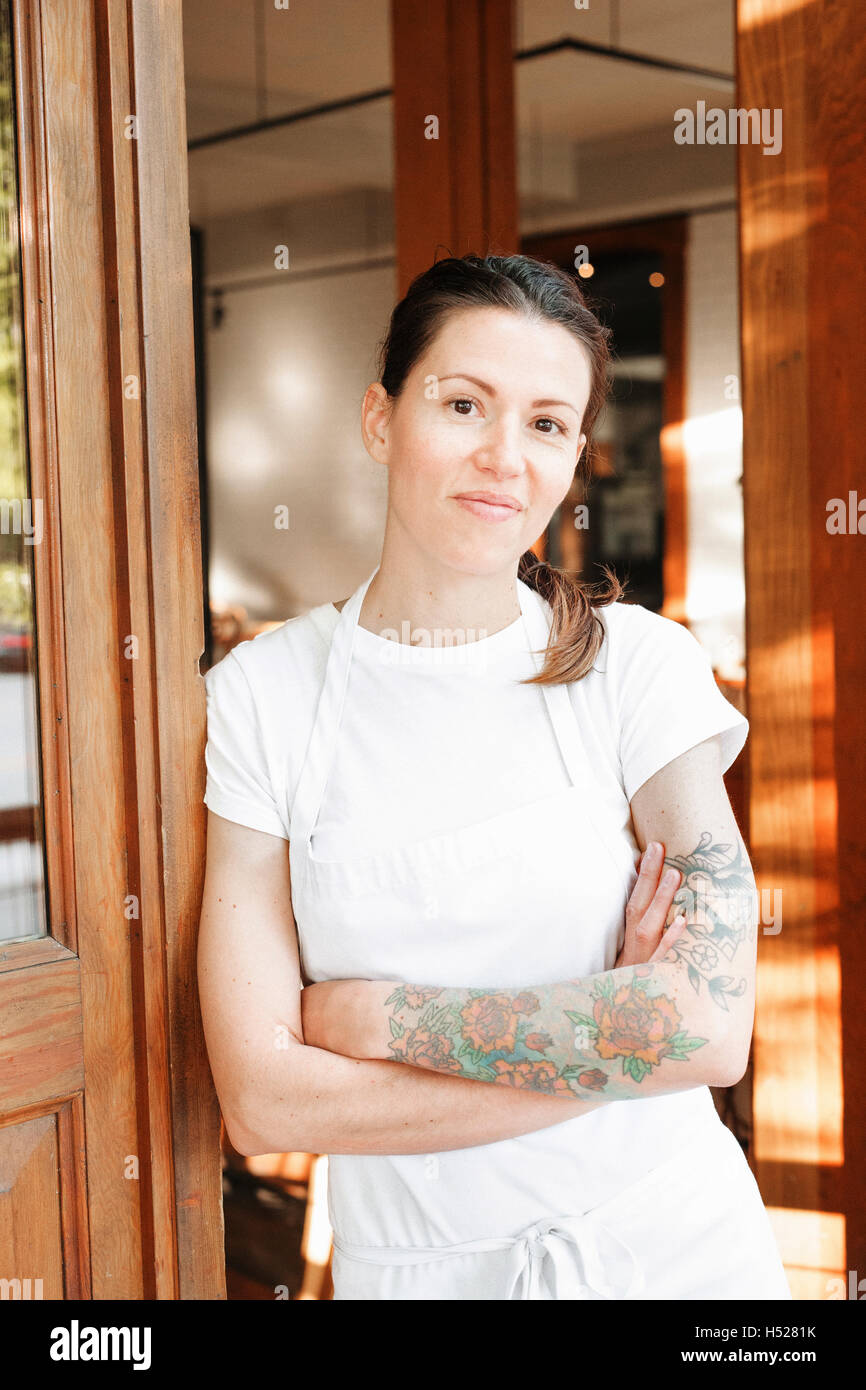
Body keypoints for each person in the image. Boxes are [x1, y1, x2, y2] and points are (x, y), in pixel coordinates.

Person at [197, 253, 791, 1301]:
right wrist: (612, 1040)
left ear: (573, 457)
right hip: (419, 1274)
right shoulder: (262, 697)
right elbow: (264, 1103)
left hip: (673, 1255)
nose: (501, 457)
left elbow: (707, 1027)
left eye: (546, 423)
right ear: (380, 420)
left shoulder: (634, 668)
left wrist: (385, 1022)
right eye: (463, 402)